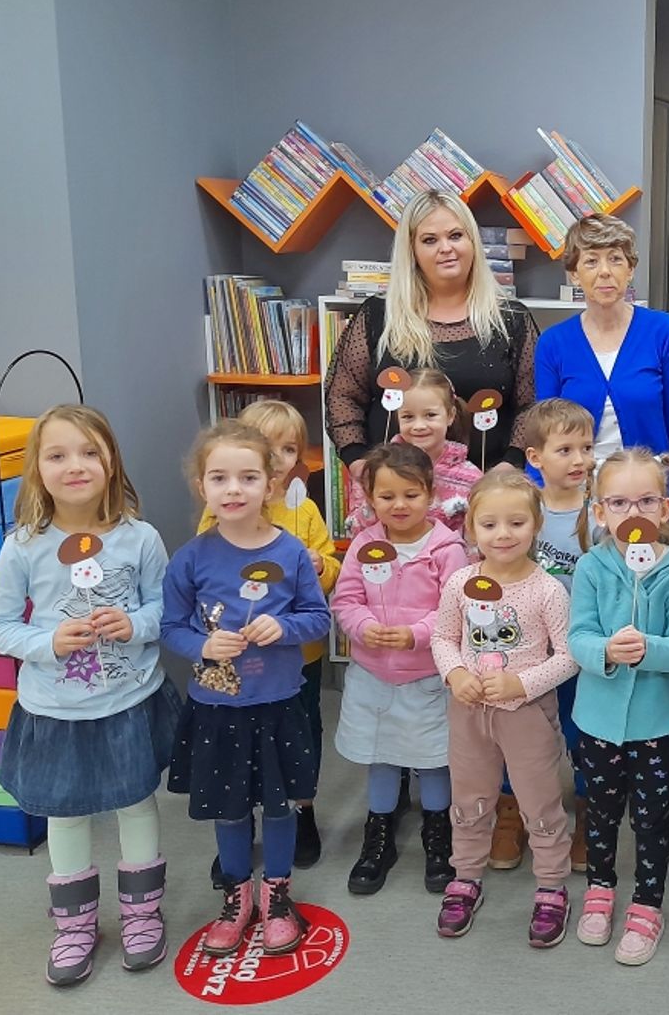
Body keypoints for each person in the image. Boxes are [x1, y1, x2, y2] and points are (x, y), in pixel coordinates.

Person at [0, 406, 180, 986]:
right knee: (64, 814)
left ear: (111, 460)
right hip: (56, 709)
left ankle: (143, 913)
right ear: (36, 470)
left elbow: (166, 607)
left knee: (136, 801)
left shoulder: (139, 536)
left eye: (90, 452)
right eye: (59, 455)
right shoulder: (22, 546)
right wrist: (46, 642)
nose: (76, 465)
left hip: (129, 702)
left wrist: (136, 625)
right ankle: (75, 924)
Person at [162, 422, 332, 957]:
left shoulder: (293, 552)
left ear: (272, 485)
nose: (234, 489)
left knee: (280, 806)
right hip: (218, 708)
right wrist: (203, 647)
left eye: (248, 477)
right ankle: (237, 897)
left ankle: (277, 893)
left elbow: (318, 618)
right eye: (220, 478)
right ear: (202, 487)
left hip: (279, 704)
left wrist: (285, 628)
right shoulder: (190, 557)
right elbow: (171, 628)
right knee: (230, 809)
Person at [430, 469, 578, 947]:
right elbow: (443, 637)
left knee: (539, 802)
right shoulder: (460, 583)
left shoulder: (548, 590)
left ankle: (552, 885)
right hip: (469, 712)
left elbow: (570, 656)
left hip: (527, 715)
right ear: (471, 528)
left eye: (516, 523)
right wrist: (455, 674)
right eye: (489, 524)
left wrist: (521, 682)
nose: (503, 534)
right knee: (470, 798)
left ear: (535, 526)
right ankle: (465, 876)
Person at [568, 448, 669, 966]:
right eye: (619, 502)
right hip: (598, 720)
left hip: (656, 722)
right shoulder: (592, 566)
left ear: (666, 509)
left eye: (646, 500)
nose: (633, 513)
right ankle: (600, 889)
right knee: (600, 814)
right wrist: (603, 651)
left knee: (650, 819)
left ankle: (648, 903)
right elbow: (577, 636)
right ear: (600, 511)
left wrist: (650, 648)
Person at [198, 399, 339, 870]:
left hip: (299, 653)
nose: (277, 459)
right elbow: (204, 573)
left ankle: (302, 808)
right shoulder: (218, 511)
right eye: (266, 447)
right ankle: (241, 818)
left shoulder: (304, 511)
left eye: (288, 448)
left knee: (300, 731)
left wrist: (319, 565)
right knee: (240, 736)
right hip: (238, 656)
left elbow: (329, 571)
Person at [325, 188, 539, 480]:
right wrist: (358, 462)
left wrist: (509, 466)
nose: (446, 248)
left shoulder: (511, 319)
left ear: (472, 242)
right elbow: (343, 396)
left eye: (455, 236)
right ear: (411, 250)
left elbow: (533, 405)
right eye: (429, 240)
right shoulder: (378, 315)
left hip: (487, 495)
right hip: (395, 495)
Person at [332, 443, 468, 896]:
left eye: (411, 494)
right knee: (381, 755)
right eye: (386, 496)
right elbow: (346, 601)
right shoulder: (364, 545)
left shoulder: (447, 549)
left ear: (430, 494)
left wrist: (417, 634)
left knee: (433, 761)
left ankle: (437, 834)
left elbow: (457, 607)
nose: (399, 505)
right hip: (373, 676)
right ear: (369, 499)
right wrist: (364, 626)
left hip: (427, 676)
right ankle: (380, 834)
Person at [535, 215, 669, 461]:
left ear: (630, 270)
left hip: (648, 491)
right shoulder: (553, 343)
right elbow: (543, 434)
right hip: (577, 490)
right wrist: (542, 495)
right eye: (591, 261)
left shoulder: (664, 331)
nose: (605, 272)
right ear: (574, 274)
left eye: (615, 259)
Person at [524, 397, 600, 874]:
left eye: (586, 448)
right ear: (536, 458)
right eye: (565, 449)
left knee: (583, 732)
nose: (580, 460)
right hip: (532, 652)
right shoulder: (524, 510)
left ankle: (589, 811)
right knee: (529, 735)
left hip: (583, 650)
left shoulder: (599, 514)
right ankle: (517, 809)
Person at [344, 368, 482, 537]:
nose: (419, 426)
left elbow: (477, 538)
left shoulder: (471, 478)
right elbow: (355, 530)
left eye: (430, 415)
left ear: (450, 415)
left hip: (450, 562)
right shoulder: (376, 469)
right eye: (408, 417)